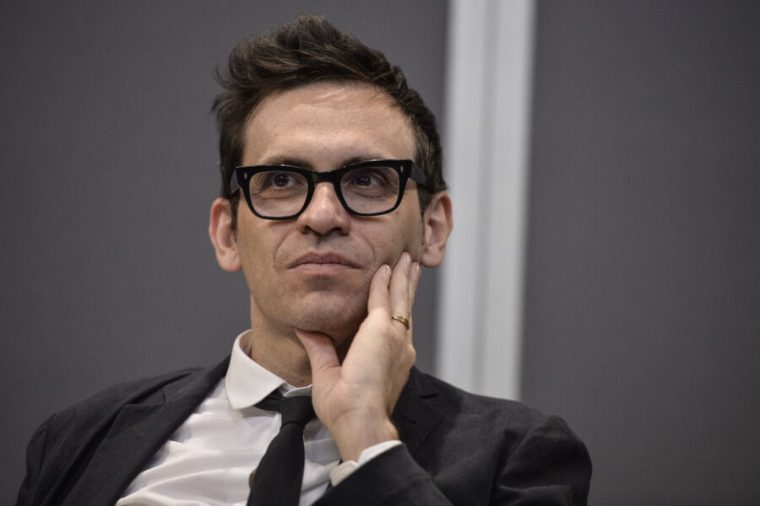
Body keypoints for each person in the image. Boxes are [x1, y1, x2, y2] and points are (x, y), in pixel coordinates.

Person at [16, 15, 591, 506]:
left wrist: (367, 435)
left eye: (367, 179)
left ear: (432, 228)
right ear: (227, 234)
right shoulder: (80, 437)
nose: (321, 215)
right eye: (280, 180)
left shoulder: (520, 456)